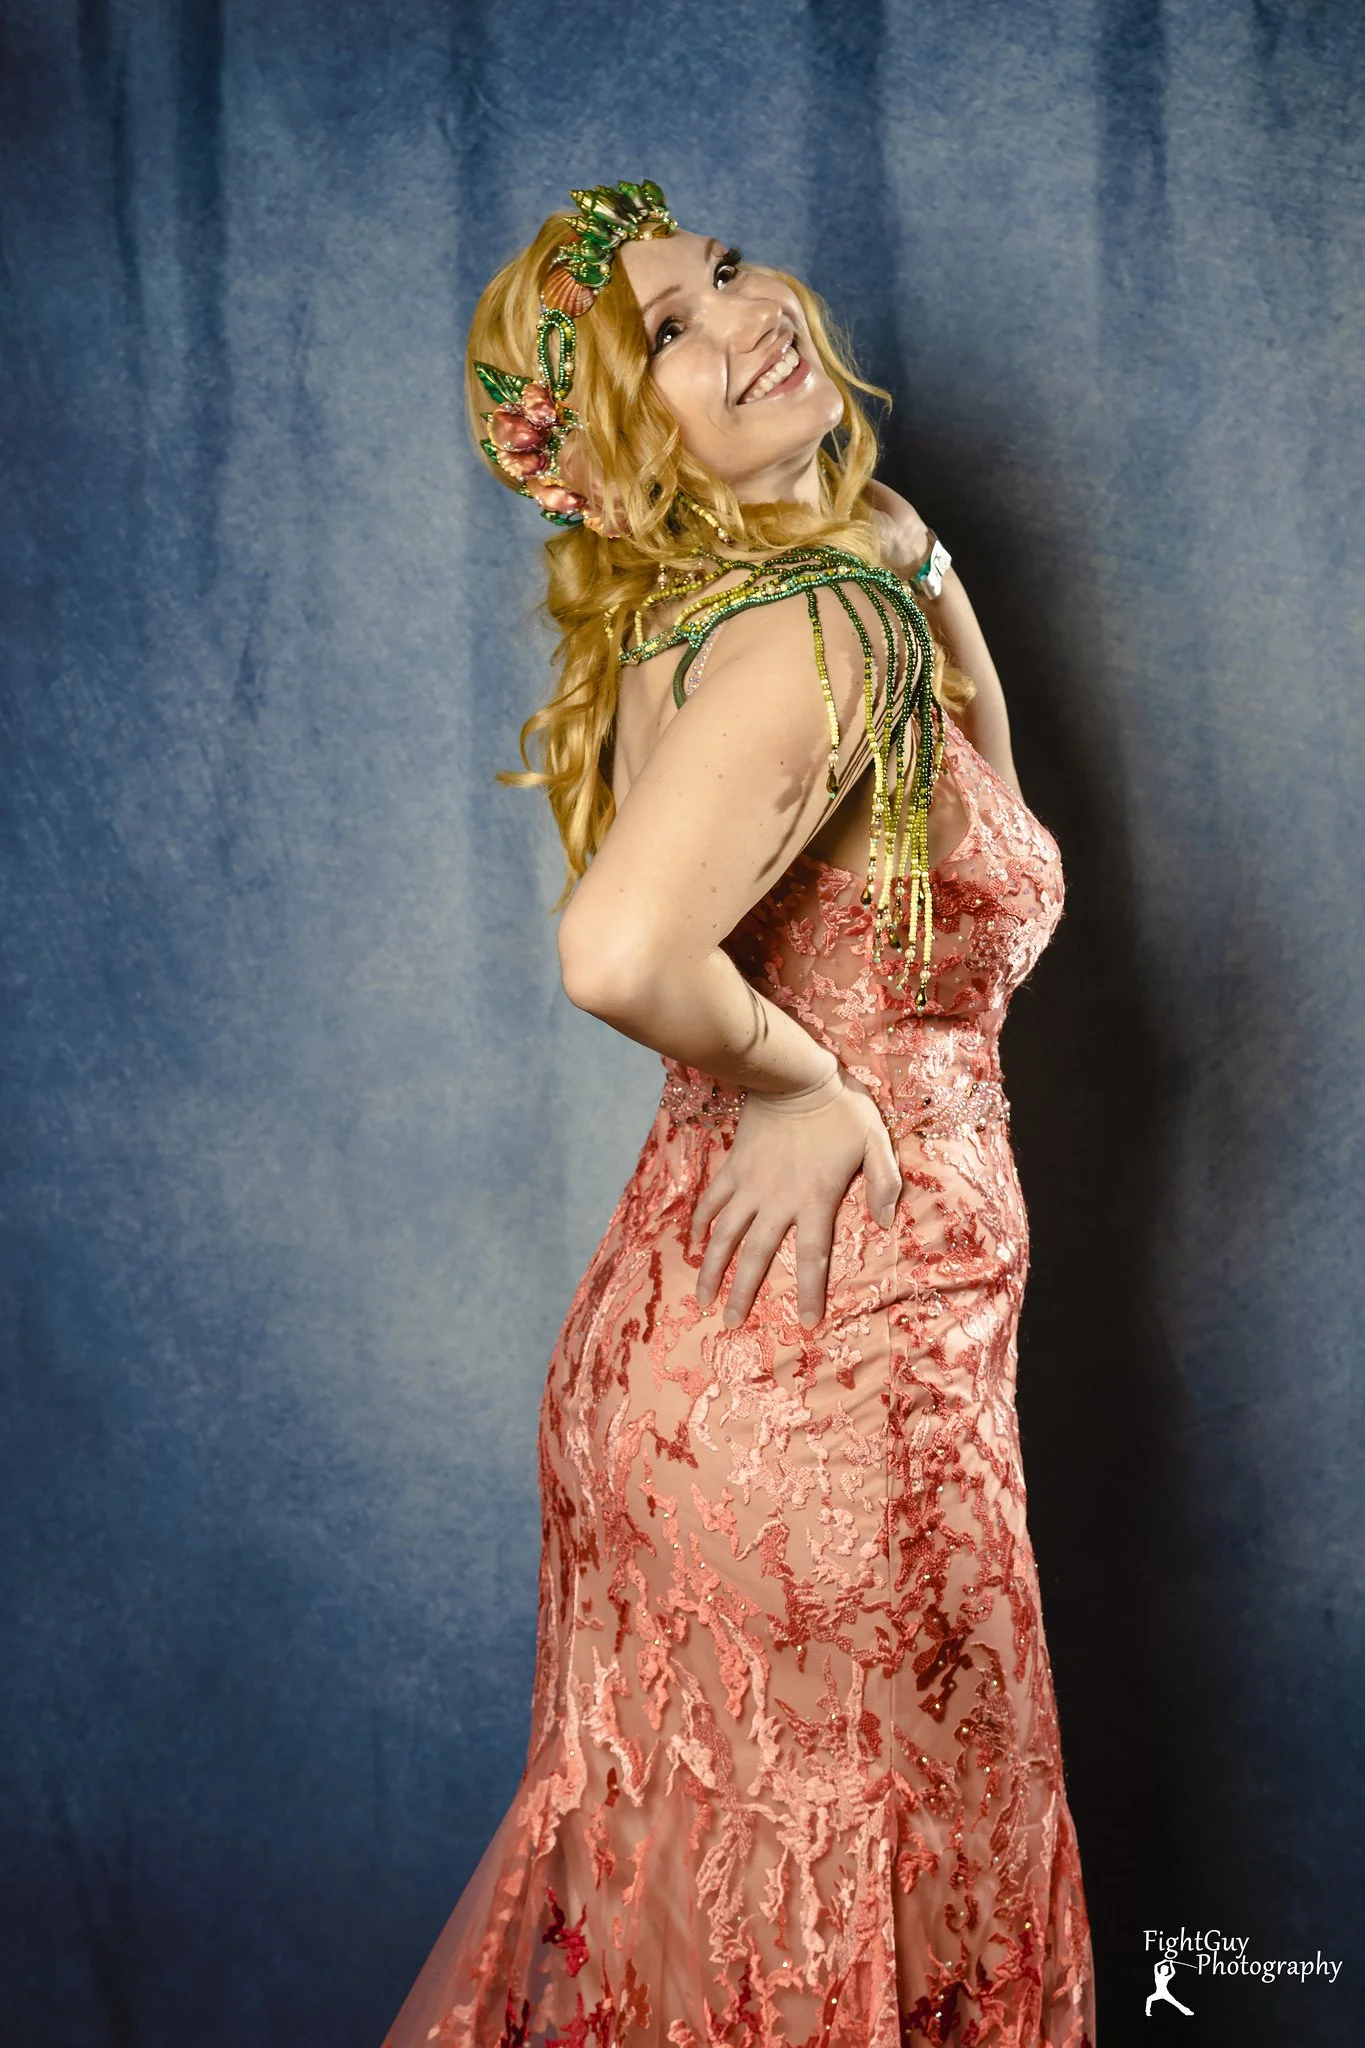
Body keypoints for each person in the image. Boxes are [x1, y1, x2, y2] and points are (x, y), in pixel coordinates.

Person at [382, 180, 1095, 2048]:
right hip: (818, 1401)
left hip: (711, 1367)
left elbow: (992, 849)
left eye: (718, 270)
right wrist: (801, 1075)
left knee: (728, 1957)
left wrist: (916, 562)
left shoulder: (764, 609)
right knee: (844, 1941)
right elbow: (617, 946)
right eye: (670, 336)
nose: (742, 311)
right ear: (624, 452)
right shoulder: (809, 638)